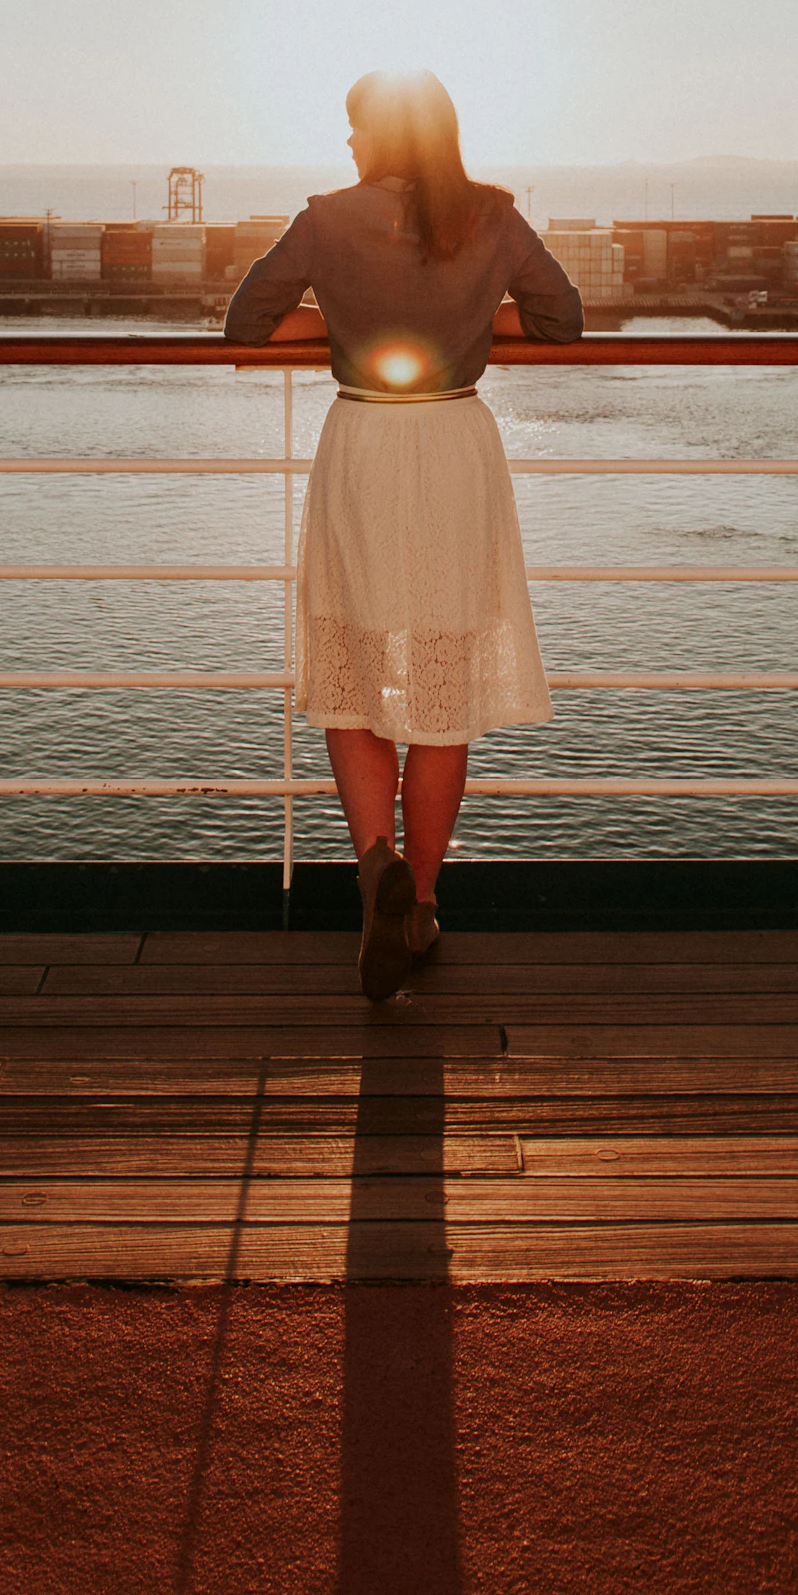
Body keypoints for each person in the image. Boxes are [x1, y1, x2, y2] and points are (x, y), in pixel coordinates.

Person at [224, 71, 583, 999]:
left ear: (381, 136)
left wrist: (347, 316)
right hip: (455, 445)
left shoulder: (325, 218)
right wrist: (467, 320)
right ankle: (419, 904)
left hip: (365, 446)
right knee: (441, 683)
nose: (347, 146)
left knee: (349, 670)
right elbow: (563, 320)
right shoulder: (493, 216)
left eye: (355, 129)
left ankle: (374, 866)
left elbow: (247, 322)